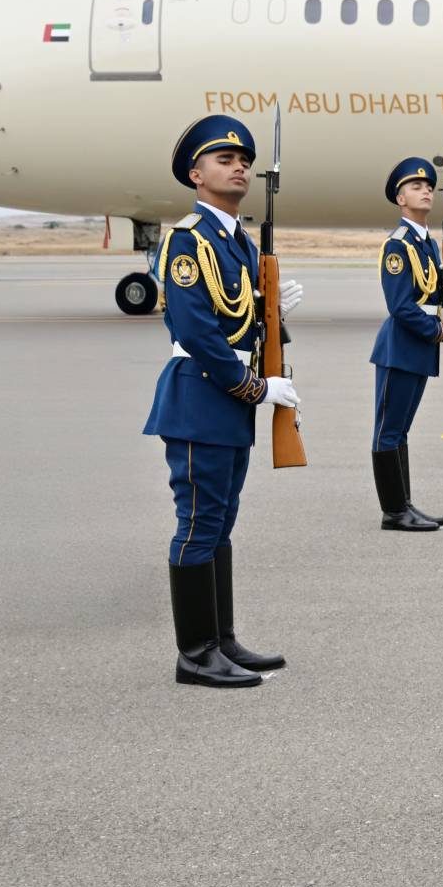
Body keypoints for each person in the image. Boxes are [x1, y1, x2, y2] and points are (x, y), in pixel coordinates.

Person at [144, 114, 303, 688]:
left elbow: (243, 322)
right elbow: (195, 329)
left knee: (221, 523)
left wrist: (274, 314)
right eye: (224, 159)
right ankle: (194, 653)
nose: (239, 168)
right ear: (196, 173)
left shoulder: (237, 241)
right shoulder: (188, 240)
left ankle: (221, 639)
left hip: (228, 403)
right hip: (200, 398)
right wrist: (255, 388)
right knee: (198, 524)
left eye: (244, 162)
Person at [369, 156, 443, 531]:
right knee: (388, 431)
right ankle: (394, 511)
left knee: (401, 430)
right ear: (401, 199)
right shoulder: (398, 246)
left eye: (429, 186)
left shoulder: (426, 244)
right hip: (400, 347)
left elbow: (431, 294)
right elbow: (401, 307)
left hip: (418, 349)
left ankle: (404, 504)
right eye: (416, 186)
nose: (426, 191)